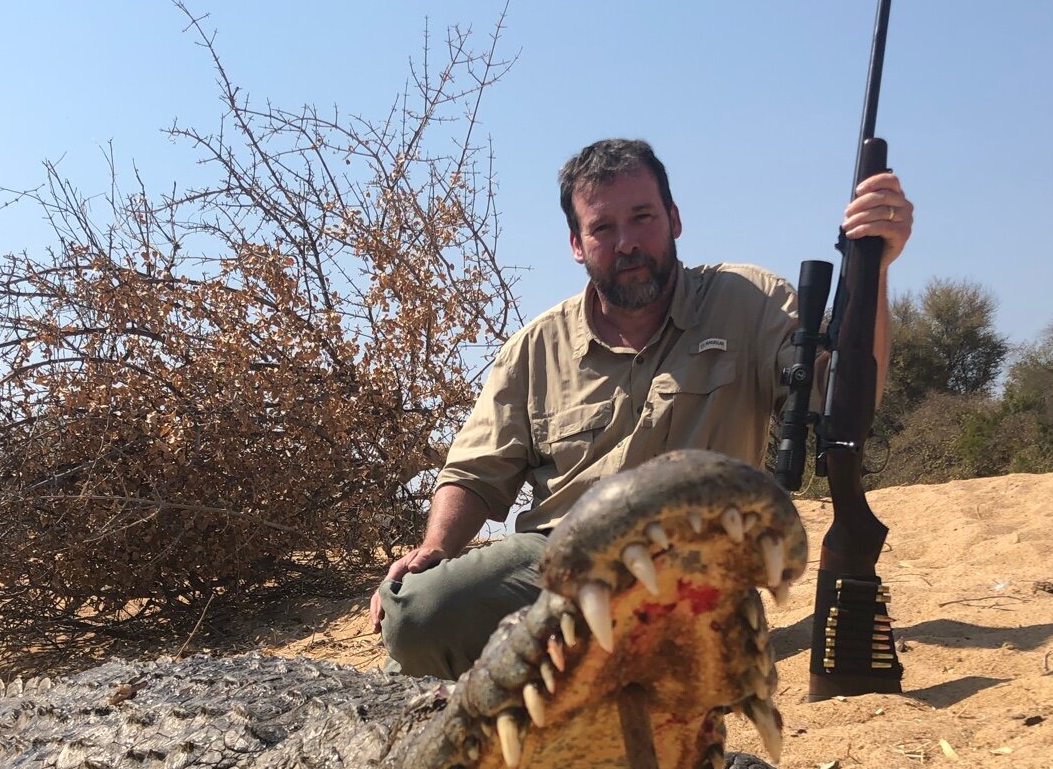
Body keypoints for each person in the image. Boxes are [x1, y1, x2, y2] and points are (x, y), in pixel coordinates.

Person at [370, 138, 913, 678]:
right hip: (561, 563)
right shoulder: (534, 347)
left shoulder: (750, 302)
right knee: (417, 610)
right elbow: (473, 471)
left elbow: (844, 399)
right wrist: (436, 547)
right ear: (577, 244)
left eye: (642, 217)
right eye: (603, 228)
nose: (627, 242)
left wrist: (876, 269)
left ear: (674, 220)